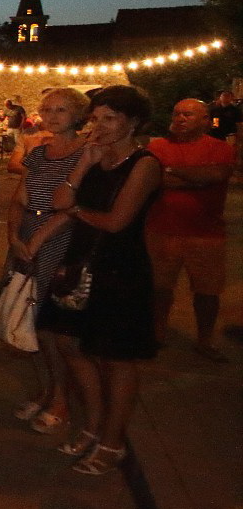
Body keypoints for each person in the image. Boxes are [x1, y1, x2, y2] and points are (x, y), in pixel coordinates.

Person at [43, 85, 162, 476]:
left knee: (117, 358)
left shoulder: (144, 164)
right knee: (69, 342)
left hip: (119, 268)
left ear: (133, 122)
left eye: (109, 119)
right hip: (81, 262)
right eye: (96, 118)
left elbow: (116, 221)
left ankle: (113, 441)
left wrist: (77, 210)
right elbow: (59, 201)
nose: (100, 126)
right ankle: (93, 427)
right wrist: (82, 165)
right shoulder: (95, 158)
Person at [3, 88, 89, 434]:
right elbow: (20, 196)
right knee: (31, 320)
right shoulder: (38, 153)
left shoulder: (87, 153)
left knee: (55, 328)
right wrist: (13, 236)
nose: (53, 116)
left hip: (60, 243)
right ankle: (48, 390)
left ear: (78, 114)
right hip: (27, 238)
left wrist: (38, 239)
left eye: (62, 110)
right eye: (48, 109)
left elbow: (74, 207)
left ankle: (61, 399)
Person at [146, 98, 235, 361]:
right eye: (176, 113)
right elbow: (152, 180)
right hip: (161, 229)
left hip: (206, 233)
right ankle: (157, 334)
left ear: (206, 121)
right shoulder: (156, 147)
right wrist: (195, 177)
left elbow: (216, 176)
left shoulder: (219, 148)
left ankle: (204, 340)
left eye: (188, 114)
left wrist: (171, 171)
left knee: (207, 291)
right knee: (160, 288)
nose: (180, 118)